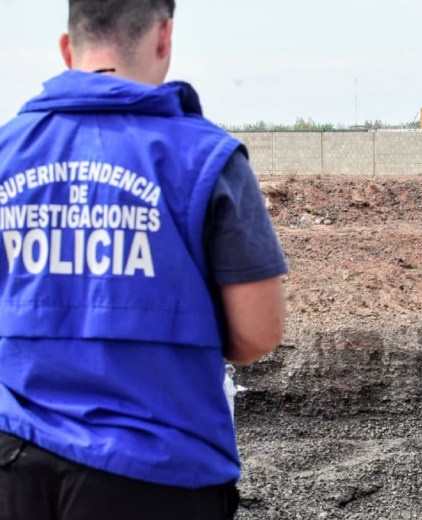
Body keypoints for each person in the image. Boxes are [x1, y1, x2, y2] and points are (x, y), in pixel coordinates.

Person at [0, 2, 288, 519]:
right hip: (157, 473)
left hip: (13, 464)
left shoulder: (6, 154)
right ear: (164, 37)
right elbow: (257, 333)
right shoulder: (209, 159)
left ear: (67, 48)